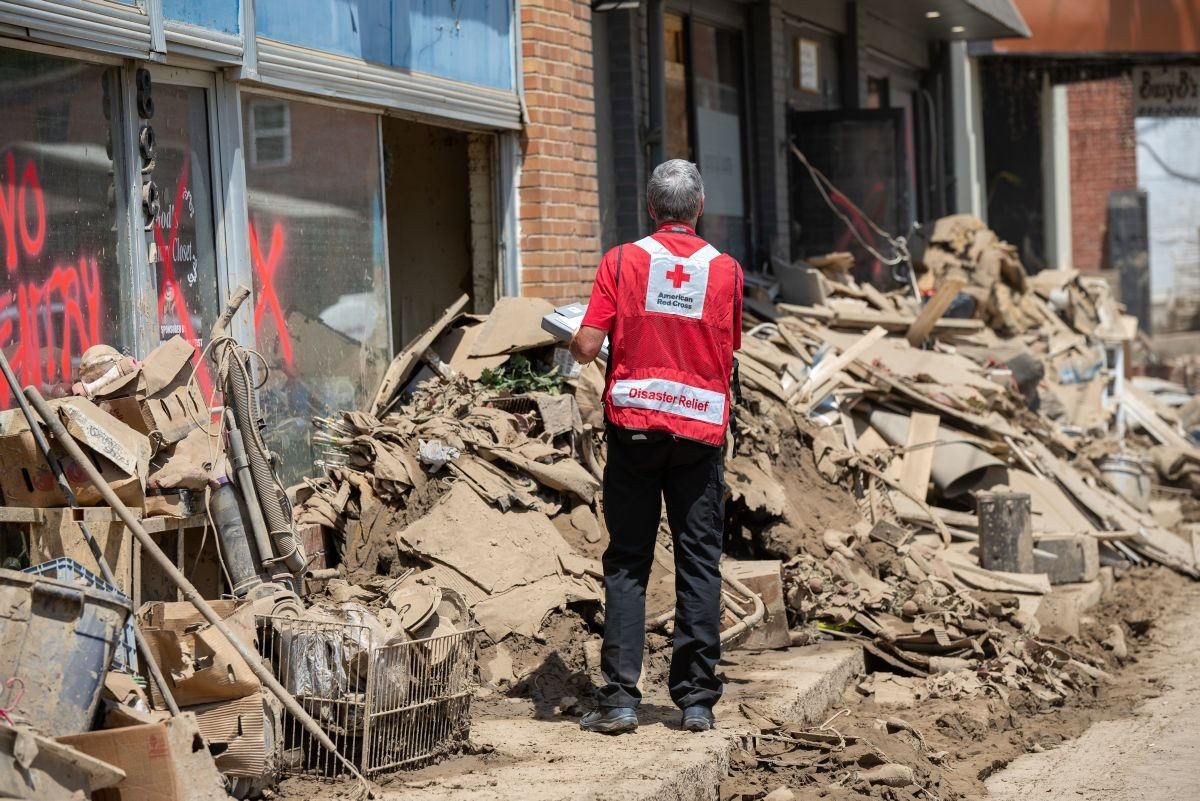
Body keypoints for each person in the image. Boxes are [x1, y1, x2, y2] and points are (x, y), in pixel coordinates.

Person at [569, 159, 743, 735]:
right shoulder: (727, 271)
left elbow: (589, 347)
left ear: (651, 208)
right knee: (698, 563)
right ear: (699, 208)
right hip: (698, 436)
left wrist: (578, 333)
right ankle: (695, 702)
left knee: (627, 562)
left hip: (636, 431)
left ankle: (621, 699)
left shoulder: (620, 262)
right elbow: (728, 345)